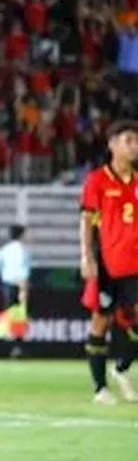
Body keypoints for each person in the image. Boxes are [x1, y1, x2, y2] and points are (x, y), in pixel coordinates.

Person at [79, 120, 138, 404]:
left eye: (136, 141)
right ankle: (100, 388)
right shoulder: (97, 180)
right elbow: (87, 221)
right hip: (107, 265)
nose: (134, 146)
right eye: (128, 140)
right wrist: (86, 256)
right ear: (112, 144)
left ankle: (123, 368)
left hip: (135, 265)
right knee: (100, 321)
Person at [0, 224, 33, 360]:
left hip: (7, 285)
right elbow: (22, 272)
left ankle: (14, 348)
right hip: (17, 285)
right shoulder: (22, 250)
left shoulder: (5, 249)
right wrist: (23, 289)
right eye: (27, 233)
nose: (30, 236)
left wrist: (5, 272)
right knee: (14, 316)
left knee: (15, 317)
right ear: (21, 235)